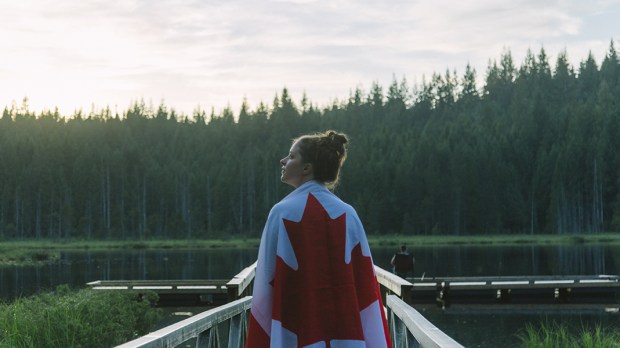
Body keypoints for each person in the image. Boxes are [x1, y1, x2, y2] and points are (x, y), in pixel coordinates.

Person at [246, 131, 392, 347]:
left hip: (296, 330)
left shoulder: (281, 213)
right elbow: (364, 283)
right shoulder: (348, 213)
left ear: (307, 168)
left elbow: (267, 280)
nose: (283, 161)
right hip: (346, 330)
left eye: (291, 156)